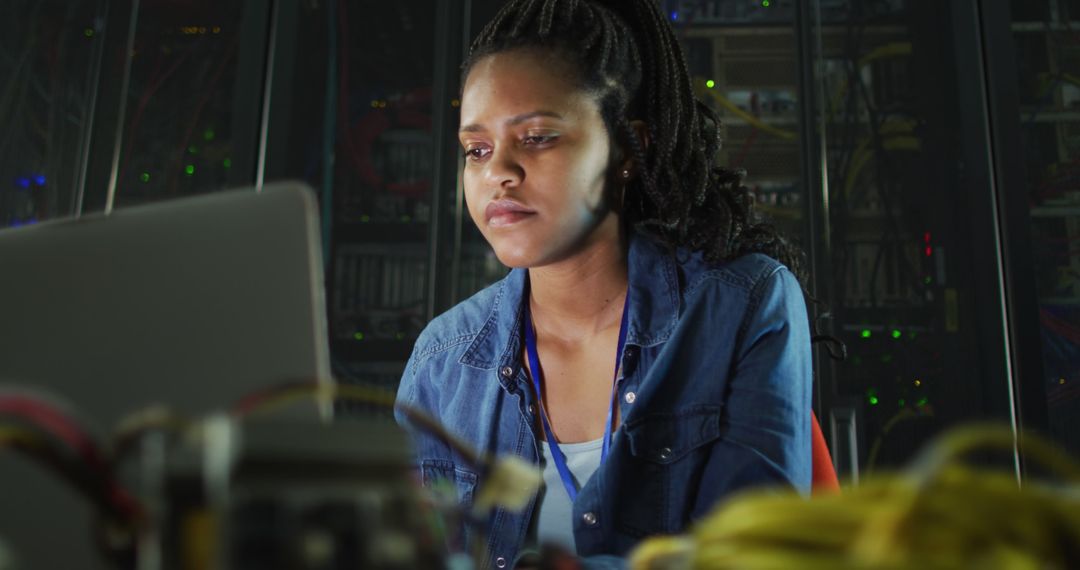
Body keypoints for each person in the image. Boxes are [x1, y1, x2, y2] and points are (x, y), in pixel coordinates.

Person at [395, 0, 812, 567]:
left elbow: (756, 557)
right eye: (477, 150)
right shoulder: (441, 362)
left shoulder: (743, 305)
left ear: (624, 150)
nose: (499, 173)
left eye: (538, 137)